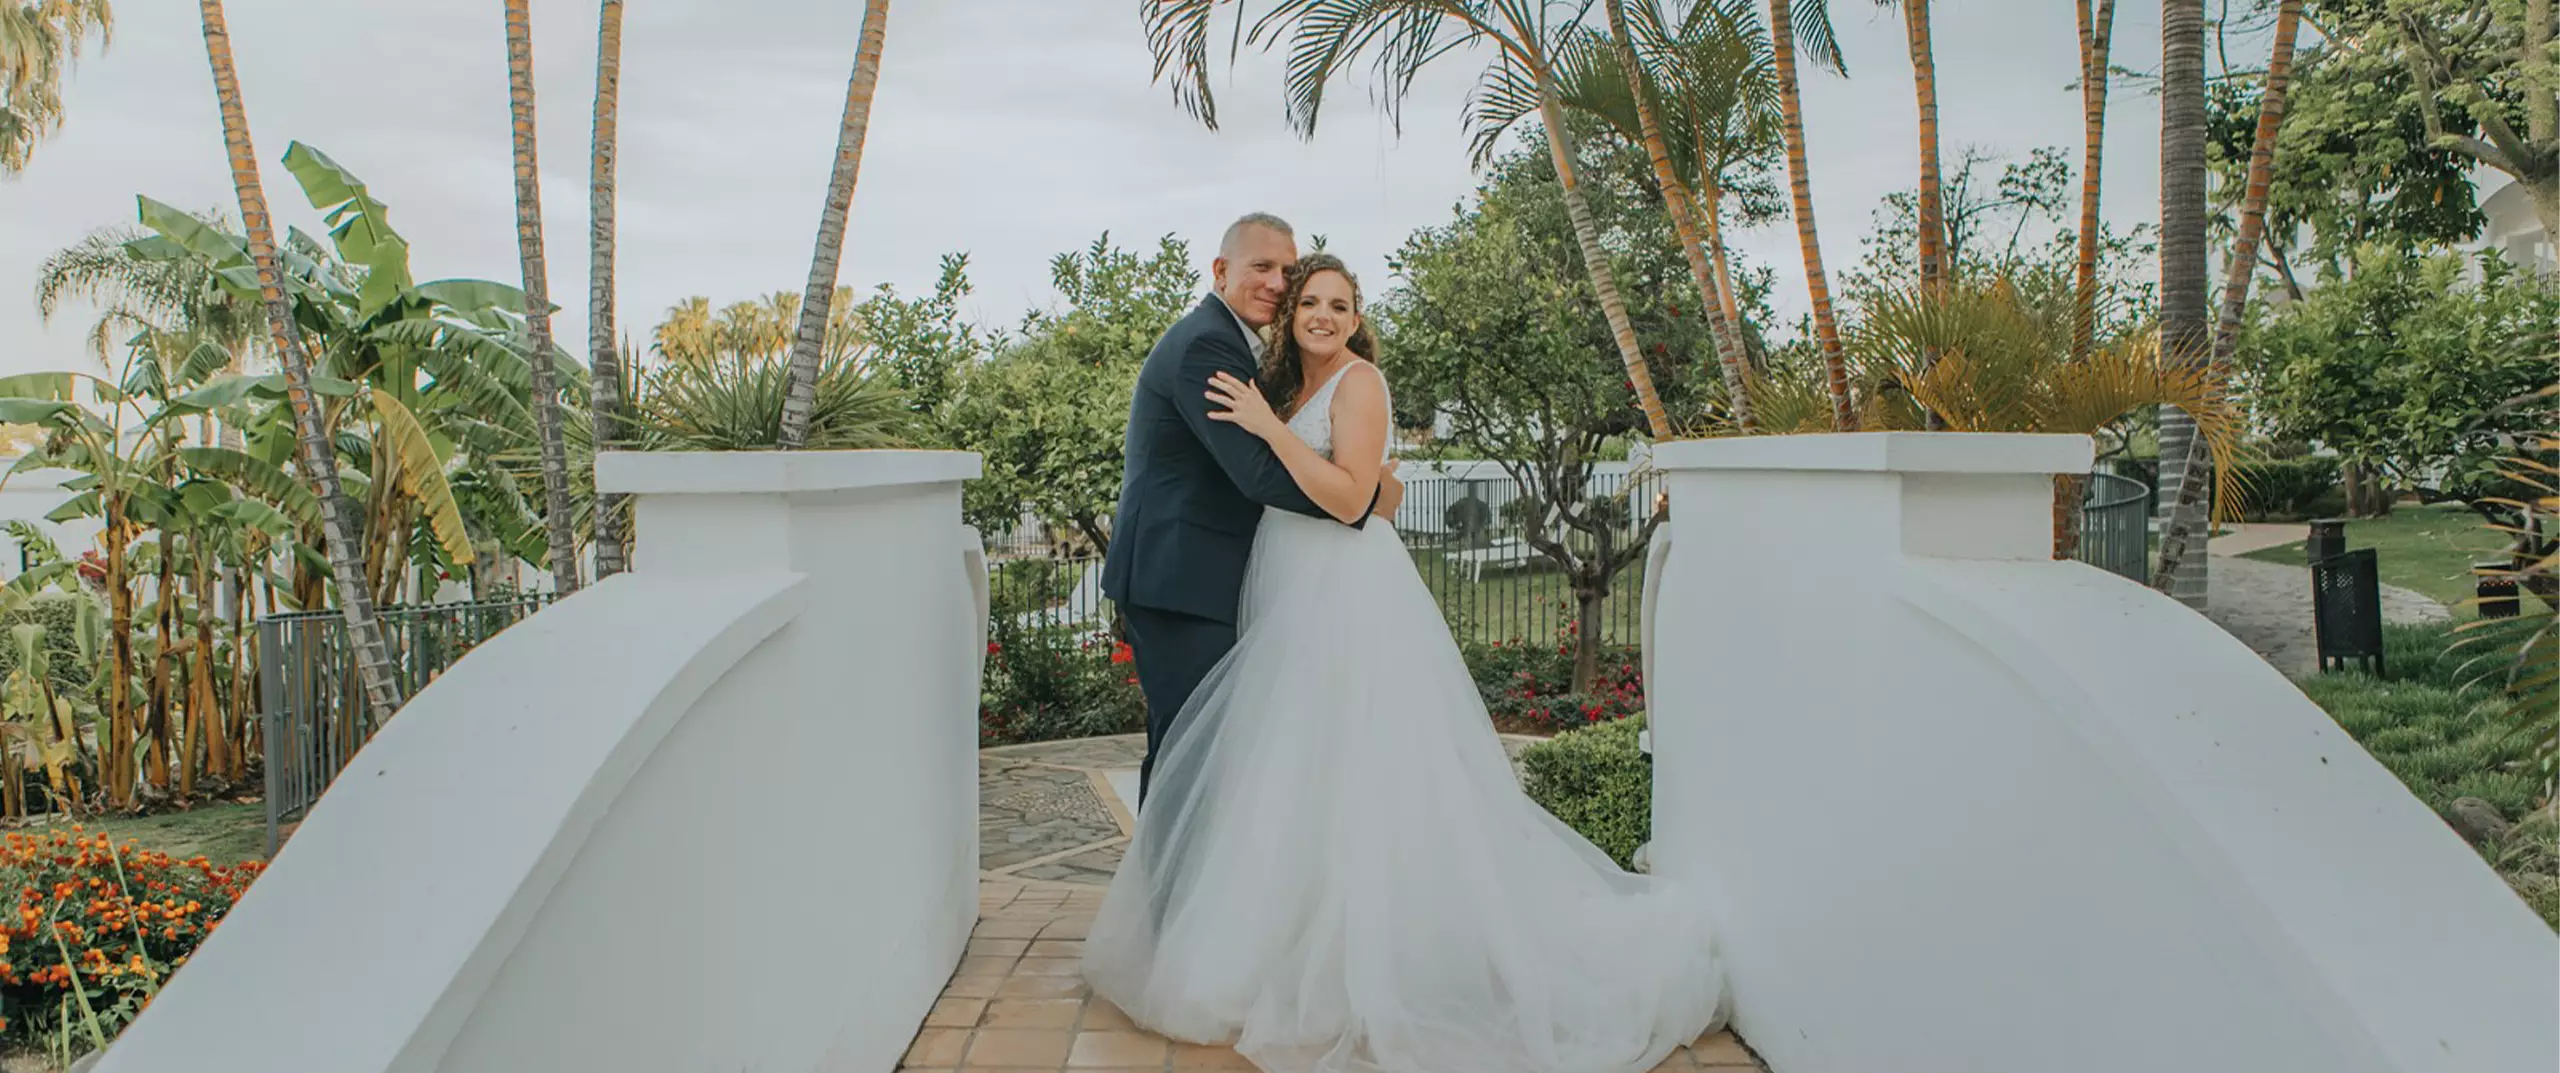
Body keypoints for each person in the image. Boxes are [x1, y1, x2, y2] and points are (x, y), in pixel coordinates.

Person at [1082, 252, 1728, 1073]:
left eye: (1337, 303)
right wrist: (1292, 431)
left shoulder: (1356, 385)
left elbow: (1352, 499)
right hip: (1285, 582)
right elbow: (1336, 486)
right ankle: (1283, 940)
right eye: (1308, 300)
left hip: (1340, 592)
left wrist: (1273, 429)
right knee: (1291, 771)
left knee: (1357, 768)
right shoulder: (1288, 382)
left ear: (1357, 317)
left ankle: (1368, 959)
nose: (1320, 313)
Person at [1098, 213, 1400, 804]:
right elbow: (1256, 472)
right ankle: (1174, 894)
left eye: (1287, 270)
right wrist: (1359, 498)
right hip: (1179, 579)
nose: (1275, 283)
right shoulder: (1209, 343)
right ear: (1221, 270)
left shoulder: (1257, 352)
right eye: (1260, 267)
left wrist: (1357, 484)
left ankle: (1182, 892)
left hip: (1205, 577)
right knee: (1190, 747)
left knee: (1202, 745)